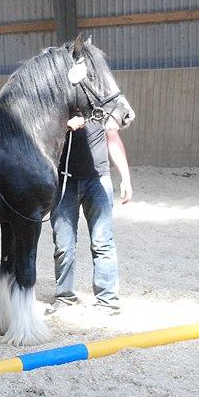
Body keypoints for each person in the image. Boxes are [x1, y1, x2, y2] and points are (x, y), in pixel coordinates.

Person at [47, 114, 132, 313]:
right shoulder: (60, 101)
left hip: (98, 180)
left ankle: (107, 300)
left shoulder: (101, 105)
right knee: (63, 244)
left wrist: (125, 177)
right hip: (64, 181)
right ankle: (65, 296)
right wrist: (63, 125)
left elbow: (113, 138)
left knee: (103, 242)